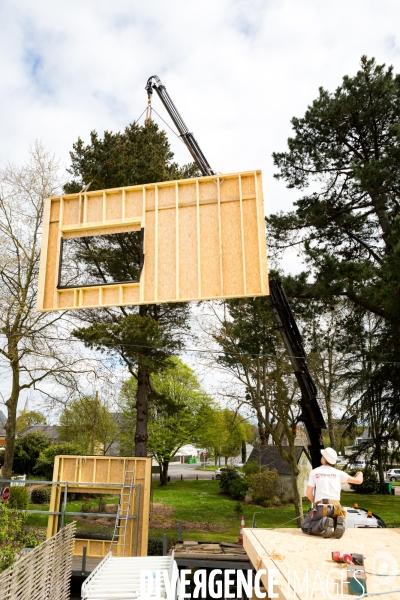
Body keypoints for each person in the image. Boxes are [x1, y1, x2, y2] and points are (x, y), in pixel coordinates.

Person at [301, 447, 363, 539]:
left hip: (321, 507)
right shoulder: (338, 473)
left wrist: (315, 503)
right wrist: (360, 473)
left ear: (324, 459)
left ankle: (323, 523)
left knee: (305, 526)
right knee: (338, 518)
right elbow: (358, 481)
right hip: (335, 508)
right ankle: (338, 524)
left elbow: (309, 493)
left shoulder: (314, 472)